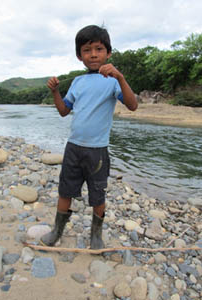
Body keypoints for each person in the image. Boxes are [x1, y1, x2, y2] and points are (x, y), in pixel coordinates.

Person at [40, 25, 138, 249]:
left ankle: (96, 235)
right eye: (87, 50)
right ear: (79, 56)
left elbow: (132, 105)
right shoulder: (77, 82)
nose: (93, 54)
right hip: (73, 148)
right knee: (65, 190)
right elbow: (64, 111)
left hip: (97, 151)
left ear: (108, 53)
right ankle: (57, 230)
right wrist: (55, 92)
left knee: (98, 194)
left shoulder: (113, 81)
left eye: (99, 49)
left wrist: (120, 77)